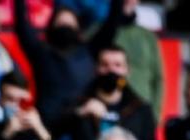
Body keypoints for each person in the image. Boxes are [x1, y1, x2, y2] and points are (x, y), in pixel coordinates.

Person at [9, 0, 121, 129]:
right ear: (52, 27)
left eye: (69, 22)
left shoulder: (89, 51)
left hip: (82, 122)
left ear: (78, 27)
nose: (65, 24)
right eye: (61, 22)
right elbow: (22, 25)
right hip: (48, 123)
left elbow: (112, 22)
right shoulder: (41, 52)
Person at [58, 46, 155, 140]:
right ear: (96, 69)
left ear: (127, 70)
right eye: (105, 65)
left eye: (117, 65)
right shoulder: (77, 104)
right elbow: (53, 134)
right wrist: (79, 112)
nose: (111, 70)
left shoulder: (141, 109)